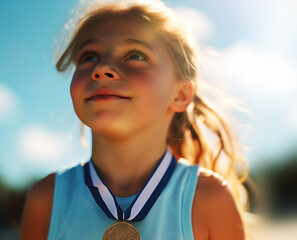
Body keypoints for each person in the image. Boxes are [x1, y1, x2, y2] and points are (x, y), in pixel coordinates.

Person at [20, 0, 252, 239]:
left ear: (180, 95)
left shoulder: (210, 199)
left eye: (135, 55)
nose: (101, 68)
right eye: (89, 56)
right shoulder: (45, 199)